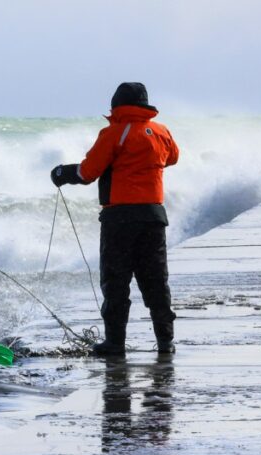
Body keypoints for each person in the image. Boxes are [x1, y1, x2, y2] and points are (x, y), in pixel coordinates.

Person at [50, 82, 179, 356]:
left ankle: (115, 344)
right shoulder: (161, 131)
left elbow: (88, 172)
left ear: (117, 105)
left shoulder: (114, 133)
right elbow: (172, 158)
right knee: (156, 281)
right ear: (145, 105)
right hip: (154, 217)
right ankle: (166, 342)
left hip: (120, 219)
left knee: (116, 281)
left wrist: (62, 173)